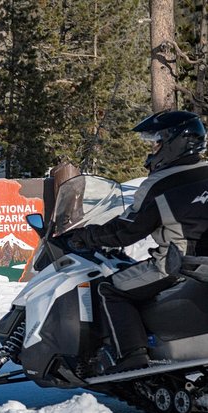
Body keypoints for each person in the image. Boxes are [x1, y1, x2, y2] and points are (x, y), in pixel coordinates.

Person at [60, 110, 208, 373]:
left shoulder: (161, 184)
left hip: (175, 266)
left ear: (176, 142)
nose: (153, 149)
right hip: (202, 265)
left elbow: (126, 231)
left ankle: (132, 355)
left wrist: (86, 236)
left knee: (110, 289)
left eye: (158, 141)